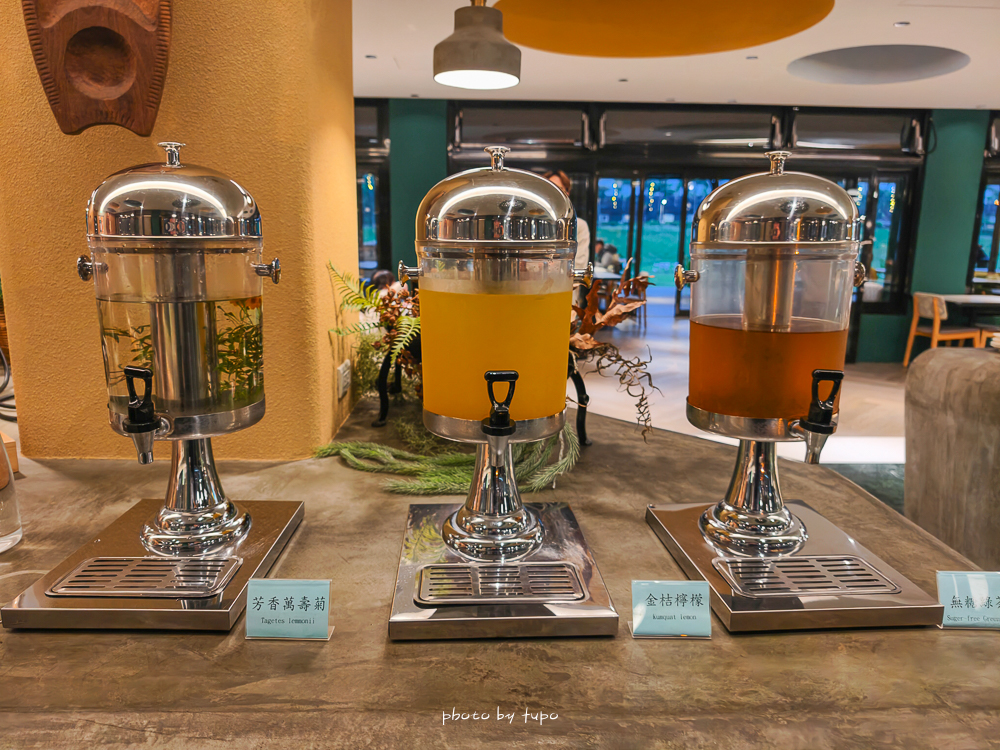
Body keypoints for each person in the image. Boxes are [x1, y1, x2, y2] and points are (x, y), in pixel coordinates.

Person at [544, 170, 590, 306]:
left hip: (565, 299)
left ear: (567, 193)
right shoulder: (533, 226)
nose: (554, 194)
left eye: (559, 189)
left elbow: (577, 268)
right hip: (532, 296)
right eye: (549, 188)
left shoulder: (579, 226)